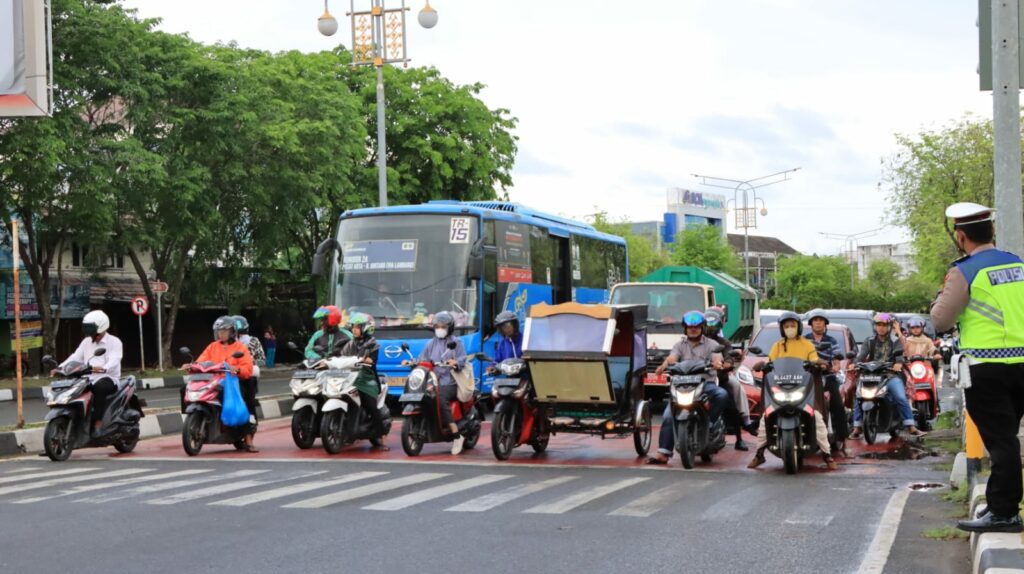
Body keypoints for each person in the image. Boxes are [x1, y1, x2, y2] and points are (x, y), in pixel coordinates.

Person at [930, 203, 1024, 533]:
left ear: (961, 236)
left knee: (1001, 442)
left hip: (987, 366)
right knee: (1007, 439)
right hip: (1021, 363)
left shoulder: (965, 270)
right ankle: (1000, 505)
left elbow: (941, 319)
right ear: (993, 232)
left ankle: (1005, 512)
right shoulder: (1018, 264)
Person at [748, 312, 837, 471]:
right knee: (765, 417)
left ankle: (827, 455)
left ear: (799, 327)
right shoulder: (777, 346)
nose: (790, 328)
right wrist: (761, 364)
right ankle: (759, 454)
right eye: (786, 326)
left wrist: (821, 363)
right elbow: (771, 362)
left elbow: (814, 359)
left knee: (816, 417)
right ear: (782, 329)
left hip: (803, 388)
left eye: (792, 325)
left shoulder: (807, 344)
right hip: (781, 388)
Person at [646, 310, 730, 464]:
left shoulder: (712, 345)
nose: (693, 329)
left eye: (697, 327)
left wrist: (718, 364)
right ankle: (664, 452)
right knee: (668, 416)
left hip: (705, 385)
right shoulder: (679, 345)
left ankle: (709, 423)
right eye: (690, 327)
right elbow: (672, 358)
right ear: (685, 328)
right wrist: (663, 365)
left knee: (722, 394)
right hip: (681, 385)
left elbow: (718, 358)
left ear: (702, 328)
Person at [848, 313, 926, 439]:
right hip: (871, 375)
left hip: (890, 376)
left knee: (900, 397)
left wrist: (898, 364)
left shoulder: (895, 341)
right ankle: (857, 427)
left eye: (884, 325)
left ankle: (911, 426)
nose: (881, 328)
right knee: (858, 395)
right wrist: (854, 364)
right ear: (875, 326)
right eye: (878, 325)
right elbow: (861, 356)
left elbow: (899, 357)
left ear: (889, 327)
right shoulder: (869, 341)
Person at [185, 316, 257, 452]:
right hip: (213, 380)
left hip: (233, 382)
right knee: (185, 389)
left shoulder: (240, 348)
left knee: (239, 403)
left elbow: (248, 369)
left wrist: (237, 369)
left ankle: (248, 440)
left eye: (224, 331)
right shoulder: (212, 346)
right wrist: (191, 366)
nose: (221, 334)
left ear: (232, 332)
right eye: (219, 331)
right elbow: (201, 361)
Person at [54, 310, 123, 436]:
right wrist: (60, 368)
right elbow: (75, 357)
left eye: (92, 330)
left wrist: (103, 368)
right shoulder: (86, 341)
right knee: (72, 390)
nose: (90, 333)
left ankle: (98, 424)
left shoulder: (114, 342)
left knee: (99, 388)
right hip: (87, 377)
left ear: (102, 327)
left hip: (108, 377)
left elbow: (115, 359)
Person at [415, 311, 468, 455]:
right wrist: (413, 362)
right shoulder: (430, 343)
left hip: (450, 381)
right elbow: (423, 359)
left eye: (443, 326)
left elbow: (462, 359)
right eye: (437, 326)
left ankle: (456, 435)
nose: (439, 329)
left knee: (440, 398)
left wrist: (455, 362)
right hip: (432, 380)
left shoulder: (456, 342)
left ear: (449, 327)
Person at [704, 306, 756, 450]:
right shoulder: (694, 340)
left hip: (719, 378)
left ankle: (741, 432)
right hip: (697, 379)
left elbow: (728, 356)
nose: (710, 327)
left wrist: (727, 363)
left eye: (713, 322)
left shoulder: (723, 342)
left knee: (732, 401)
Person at [339, 313, 388, 450]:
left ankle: (383, 437)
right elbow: (342, 357)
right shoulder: (349, 344)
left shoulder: (373, 344)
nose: (354, 330)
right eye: (353, 327)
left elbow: (371, 361)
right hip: (350, 378)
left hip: (367, 379)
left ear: (365, 328)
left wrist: (362, 360)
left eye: (357, 327)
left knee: (371, 407)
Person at [804, 308, 849, 447]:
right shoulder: (804, 340)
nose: (818, 323)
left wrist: (835, 366)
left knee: (837, 404)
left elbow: (836, 357)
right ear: (811, 324)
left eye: (821, 321)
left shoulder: (831, 340)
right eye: (815, 321)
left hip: (827, 376)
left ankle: (842, 437)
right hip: (808, 377)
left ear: (825, 324)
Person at [234, 316, 264, 429]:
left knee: (248, 401)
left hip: (248, 375)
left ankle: (251, 423)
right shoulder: (226, 343)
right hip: (230, 374)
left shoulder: (254, 341)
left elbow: (262, 359)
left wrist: (249, 363)